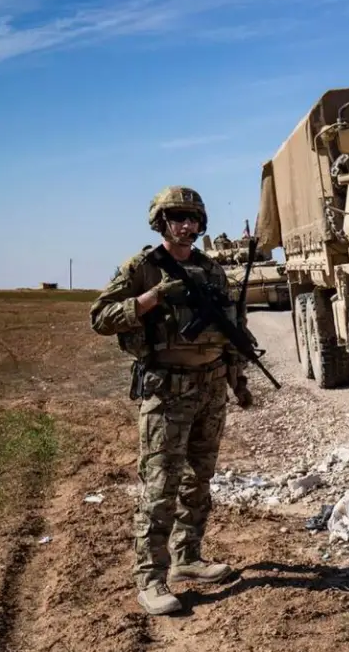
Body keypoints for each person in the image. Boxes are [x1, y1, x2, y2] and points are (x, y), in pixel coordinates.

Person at [89, 185, 254, 615]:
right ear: (161, 222)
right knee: (160, 486)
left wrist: (238, 381)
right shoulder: (143, 267)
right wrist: (154, 297)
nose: (186, 225)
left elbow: (232, 329)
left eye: (193, 218)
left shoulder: (211, 270)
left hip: (211, 389)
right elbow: (100, 317)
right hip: (167, 392)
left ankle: (187, 557)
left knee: (199, 479)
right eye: (178, 218)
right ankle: (150, 579)